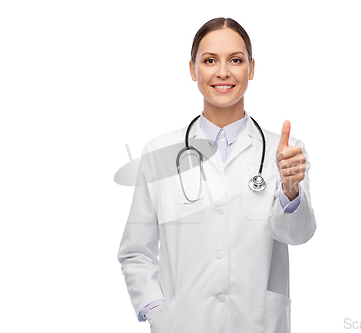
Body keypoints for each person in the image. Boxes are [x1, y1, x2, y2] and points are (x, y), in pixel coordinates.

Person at [117, 17, 317, 333]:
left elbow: (296, 235)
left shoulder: (286, 152)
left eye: (235, 60)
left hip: (258, 324)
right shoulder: (159, 154)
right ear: (193, 69)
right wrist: (158, 312)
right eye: (210, 60)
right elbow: (136, 251)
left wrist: (291, 190)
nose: (223, 72)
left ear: (251, 68)